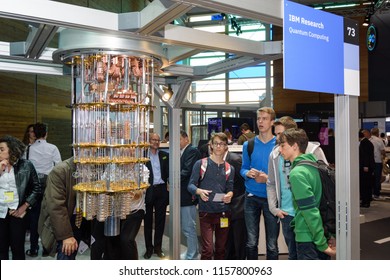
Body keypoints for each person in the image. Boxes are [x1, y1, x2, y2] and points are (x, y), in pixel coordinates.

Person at [267, 116, 329, 260]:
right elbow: (271, 183)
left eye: (280, 135)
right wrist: (273, 208)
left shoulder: (313, 153)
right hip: (287, 214)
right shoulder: (275, 154)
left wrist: (322, 241)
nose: (277, 139)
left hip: (311, 217)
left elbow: (324, 182)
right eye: (276, 134)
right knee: (294, 255)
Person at [278, 128, 336, 260]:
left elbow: (310, 211)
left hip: (309, 238)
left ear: (294, 146)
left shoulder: (297, 173)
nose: (280, 150)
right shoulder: (315, 166)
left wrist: (321, 243)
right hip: (322, 231)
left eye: (283, 146)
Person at [240, 107, 279, 260]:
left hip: (272, 199)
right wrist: (247, 173)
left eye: (264, 118)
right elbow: (243, 168)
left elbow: (283, 175)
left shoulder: (279, 145)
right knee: (251, 242)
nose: (260, 121)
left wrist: (267, 178)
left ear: (272, 122)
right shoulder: (248, 145)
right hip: (251, 197)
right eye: (258, 118)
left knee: (272, 244)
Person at [188, 132, 234, 260]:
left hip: (224, 213)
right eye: (216, 143)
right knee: (207, 250)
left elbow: (230, 188)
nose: (219, 146)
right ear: (211, 146)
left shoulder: (229, 168)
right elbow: (190, 185)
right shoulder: (201, 164)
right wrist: (199, 191)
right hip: (206, 212)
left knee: (220, 249)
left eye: (222, 144)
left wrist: (229, 195)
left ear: (226, 147)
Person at [38, 157, 89, 260]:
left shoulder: (98, 166)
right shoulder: (61, 170)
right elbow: (56, 206)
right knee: (66, 254)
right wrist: (66, 236)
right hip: (67, 220)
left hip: (87, 219)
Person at [0, 135, 41, 260]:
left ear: (12, 150)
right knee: (1, 250)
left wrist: (24, 206)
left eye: (1, 149)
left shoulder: (26, 165)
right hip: (0, 212)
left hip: (17, 212)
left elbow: (37, 188)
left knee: (17, 249)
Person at [25, 122, 62, 257]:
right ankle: (47, 248)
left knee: (34, 217)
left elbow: (26, 167)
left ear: (34, 133)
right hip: (49, 183)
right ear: (46, 133)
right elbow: (58, 167)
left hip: (33, 185)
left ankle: (34, 248)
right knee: (48, 216)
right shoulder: (52, 148)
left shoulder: (28, 149)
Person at [90, 190, 146, 260]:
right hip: (112, 209)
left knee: (126, 240)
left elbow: (139, 193)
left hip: (134, 210)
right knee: (110, 240)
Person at [143, 133, 169, 259]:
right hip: (148, 190)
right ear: (149, 141)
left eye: (158, 140)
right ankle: (149, 248)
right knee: (147, 221)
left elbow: (169, 172)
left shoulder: (165, 155)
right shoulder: (143, 156)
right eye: (153, 140)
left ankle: (158, 248)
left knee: (160, 220)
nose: (156, 142)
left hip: (162, 190)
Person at [180, 130, 201, 260]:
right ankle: (193, 251)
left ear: (186, 138)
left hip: (188, 195)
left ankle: (192, 255)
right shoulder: (183, 151)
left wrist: (172, 179)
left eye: (179, 139)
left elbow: (186, 171)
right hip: (183, 195)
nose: (176, 142)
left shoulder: (191, 151)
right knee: (187, 226)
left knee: (188, 227)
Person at [224, 148, 247, 260]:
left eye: (220, 144)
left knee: (239, 239)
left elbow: (243, 182)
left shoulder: (235, 159)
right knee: (227, 239)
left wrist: (232, 195)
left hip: (238, 205)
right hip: (225, 206)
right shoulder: (213, 161)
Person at [359, 129, 375, 208]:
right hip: (369, 166)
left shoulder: (363, 143)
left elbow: (366, 156)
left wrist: (365, 166)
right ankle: (367, 200)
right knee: (367, 184)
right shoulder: (367, 142)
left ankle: (366, 201)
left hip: (366, 167)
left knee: (365, 184)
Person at [369, 127, 386, 199]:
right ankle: (376, 194)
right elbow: (383, 151)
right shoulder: (379, 140)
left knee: (371, 178)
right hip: (378, 161)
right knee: (377, 178)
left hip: (370, 162)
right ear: (377, 133)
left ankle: (371, 193)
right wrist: (384, 156)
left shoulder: (368, 140)